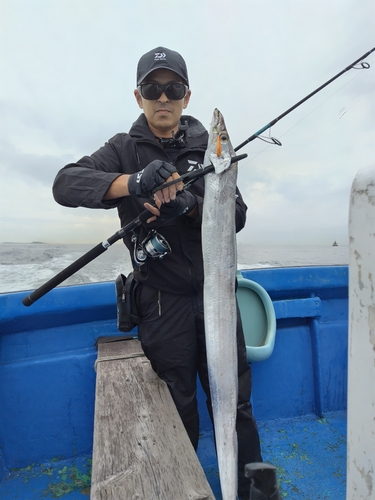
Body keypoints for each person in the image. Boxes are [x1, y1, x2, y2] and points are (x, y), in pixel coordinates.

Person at [52, 46, 262, 499]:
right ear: (138, 95)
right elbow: (65, 183)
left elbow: (236, 215)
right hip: (162, 302)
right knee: (176, 405)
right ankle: (182, 489)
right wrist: (134, 182)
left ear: (187, 96)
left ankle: (252, 491)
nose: (162, 97)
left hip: (218, 299)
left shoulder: (211, 150)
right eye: (153, 88)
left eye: (173, 88)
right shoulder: (122, 149)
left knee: (237, 404)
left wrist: (190, 207)